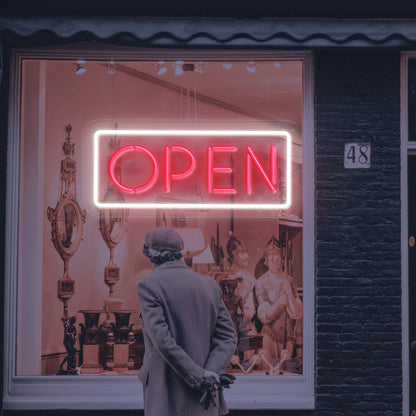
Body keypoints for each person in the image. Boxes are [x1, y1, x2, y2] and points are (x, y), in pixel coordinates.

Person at [137, 227, 237, 416]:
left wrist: (200, 377)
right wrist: (211, 373)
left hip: (166, 394)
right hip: (207, 397)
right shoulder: (209, 285)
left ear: (149, 253)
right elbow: (228, 337)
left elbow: (163, 342)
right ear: (179, 252)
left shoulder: (148, 285)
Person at [254, 237, 302, 366]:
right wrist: (281, 301)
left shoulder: (289, 281)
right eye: (270, 255)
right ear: (266, 260)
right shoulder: (261, 282)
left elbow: (296, 313)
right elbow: (265, 317)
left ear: (282, 258)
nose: (273, 259)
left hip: (288, 338)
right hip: (269, 337)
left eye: (276, 255)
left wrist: (289, 294)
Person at [226, 235, 256, 333]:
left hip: (247, 328)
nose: (247, 256)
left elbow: (250, 312)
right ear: (232, 254)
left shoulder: (250, 278)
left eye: (246, 252)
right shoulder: (225, 278)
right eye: (242, 253)